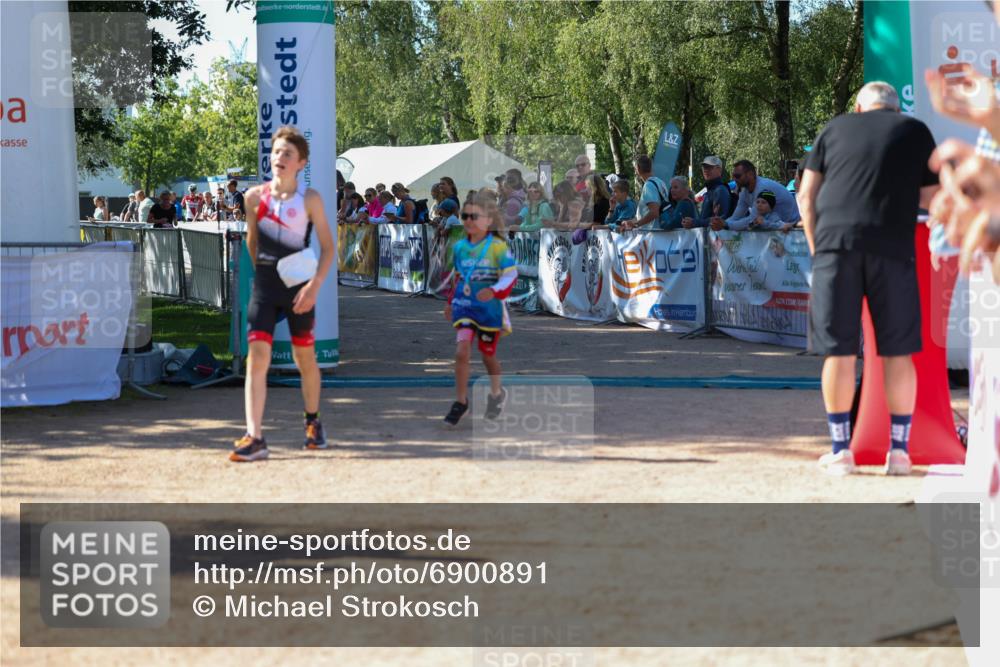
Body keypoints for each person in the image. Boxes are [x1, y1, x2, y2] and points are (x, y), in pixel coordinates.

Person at [799, 81, 939, 476]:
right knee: (896, 353)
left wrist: (816, 248)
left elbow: (806, 196)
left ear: (859, 109)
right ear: (896, 110)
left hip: (835, 247)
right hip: (892, 249)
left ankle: (842, 450)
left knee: (839, 351)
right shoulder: (914, 130)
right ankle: (899, 453)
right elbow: (934, 199)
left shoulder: (834, 127)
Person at [233, 126, 335, 463]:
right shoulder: (253, 197)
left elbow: (329, 248)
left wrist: (313, 286)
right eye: (276, 151)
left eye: (287, 154)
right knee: (257, 358)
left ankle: (312, 421)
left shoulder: (310, 199)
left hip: (299, 290)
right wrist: (265, 275)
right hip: (265, 285)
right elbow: (252, 241)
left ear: (300, 162)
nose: (279, 157)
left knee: (304, 358)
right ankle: (255, 436)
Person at [442, 189, 518, 426]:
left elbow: (510, 276)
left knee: (487, 356)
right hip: (465, 308)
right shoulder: (459, 248)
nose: (468, 221)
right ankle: (461, 401)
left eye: (474, 216)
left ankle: (497, 394)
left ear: (489, 220)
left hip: (490, 311)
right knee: (461, 351)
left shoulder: (498, 248)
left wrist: (494, 291)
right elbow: (457, 278)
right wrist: (449, 301)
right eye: (465, 216)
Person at [718, 159, 800, 231]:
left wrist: (726, 225)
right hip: (777, 229)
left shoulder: (762, 187)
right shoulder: (744, 192)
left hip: (792, 230)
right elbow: (736, 217)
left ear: (750, 174)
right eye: (733, 176)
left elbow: (752, 220)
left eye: (738, 176)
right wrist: (721, 223)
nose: (734, 179)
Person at [681, 156, 733, 228]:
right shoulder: (709, 192)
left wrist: (694, 222)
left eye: (709, 167)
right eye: (704, 167)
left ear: (719, 170)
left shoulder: (720, 190)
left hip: (718, 237)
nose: (705, 170)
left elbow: (719, 220)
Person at [621, 155, 669, 231]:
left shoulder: (648, 185)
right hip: (658, 232)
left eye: (635, 169)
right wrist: (632, 222)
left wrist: (636, 224)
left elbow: (654, 212)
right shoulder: (660, 182)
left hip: (652, 234)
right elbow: (646, 212)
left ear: (638, 168)